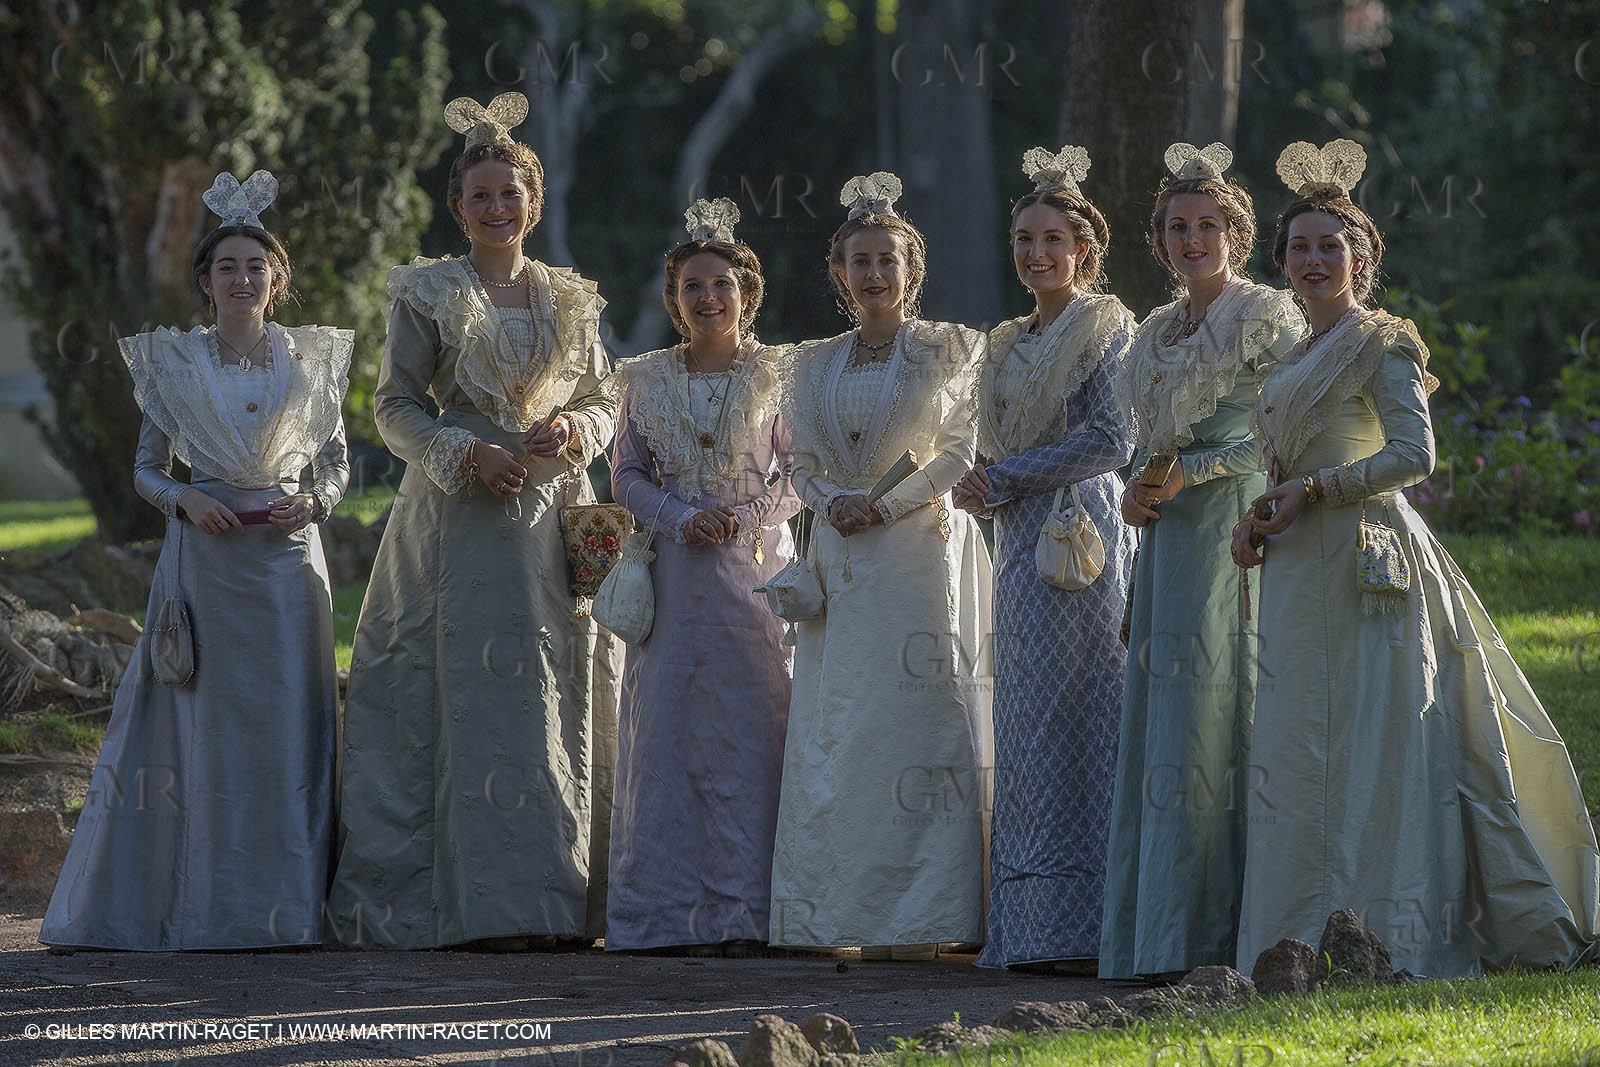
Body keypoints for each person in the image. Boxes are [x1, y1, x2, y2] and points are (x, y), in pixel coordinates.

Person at [1231, 138, 1599, 977]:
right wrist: (1255, 519)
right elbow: (1280, 467)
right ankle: (1292, 937)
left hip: (1370, 561)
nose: (1315, 259)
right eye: (1301, 246)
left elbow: (1414, 454)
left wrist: (1319, 490)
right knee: (1296, 741)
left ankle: (1385, 927)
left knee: (1373, 736)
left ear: (1362, 258)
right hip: (1295, 567)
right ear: (1282, 260)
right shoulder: (1288, 359)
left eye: (1333, 245)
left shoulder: (1383, 342)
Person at [328, 93, 619, 950]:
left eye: (511, 193)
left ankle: (560, 903)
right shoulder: (426, 292)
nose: (497, 208)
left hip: (552, 513)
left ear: (535, 200)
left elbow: (603, 398)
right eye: (481, 196)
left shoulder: (571, 298)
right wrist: (463, 451)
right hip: (455, 517)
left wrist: (573, 429)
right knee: (467, 696)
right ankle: (471, 904)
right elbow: (393, 407)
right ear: (459, 207)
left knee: (553, 686)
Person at [40, 170, 351, 950]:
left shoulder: (311, 361)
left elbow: (339, 464)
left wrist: (314, 502)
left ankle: (292, 903)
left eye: (256, 266)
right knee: (203, 720)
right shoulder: (174, 365)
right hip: (205, 565)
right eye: (226, 267)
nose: (242, 279)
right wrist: (186, 499)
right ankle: (202, 900)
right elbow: (146, 469)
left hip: (286, 563)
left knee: (289, 718)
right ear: (204, 282)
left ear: (277, 281)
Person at [767, 172, 992, 959]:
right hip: (840, 552)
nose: (873, 275)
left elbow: (961, 449)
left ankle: (927, 921)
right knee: (840, 726)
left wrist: (885, 506)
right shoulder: (811, 362)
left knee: (916, 716)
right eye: (859, 261)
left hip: (915, 550)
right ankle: (837, 916)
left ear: (912, 270)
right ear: (839, 273)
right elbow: (797, 460)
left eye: (886, 261)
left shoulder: (952, 348)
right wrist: (828, 502)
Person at [1099, 143, 1304, 979]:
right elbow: (1147, 442)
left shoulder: (1268, 315)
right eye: (1179, 227)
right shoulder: (1152, 332)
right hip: (1167, 535)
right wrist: (1133, 493)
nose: (1194, 239)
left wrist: (1201, 473)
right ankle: (1157, 934)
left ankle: (1217, 933)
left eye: (1209, 225)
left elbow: (1279, 429)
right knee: (1163, 720)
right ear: (1161, 240)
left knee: (1216, 709)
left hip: (1231, 526)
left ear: (1238, 233)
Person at [951, 145, 1135, 972]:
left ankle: (1093, 923)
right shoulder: (1002, 339)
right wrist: (979, 479)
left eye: (1053, 239)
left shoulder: (1107, 325)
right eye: (1024, 238)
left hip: (1081, 537)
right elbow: (994, 442)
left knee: (1085, 713)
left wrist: (1007, 478)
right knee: (1024, 721)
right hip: (1019, 535)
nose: (1036, 253)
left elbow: (1111, 439)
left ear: (1083, 249)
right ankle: (1029, 927)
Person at [603, 199, 799, 951]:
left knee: (756, 729)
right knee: (670, 731)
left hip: (755, 575)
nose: (708, 297)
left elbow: (805, 471)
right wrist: (685, 517)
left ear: (747, 293)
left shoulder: (780, 377)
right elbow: (625, 474)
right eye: (693, 286)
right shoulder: (646, 380)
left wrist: (743, 516)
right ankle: (664, 913)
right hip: (678, 580)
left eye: (722, 283)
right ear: (674, 299)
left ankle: (752, 910)